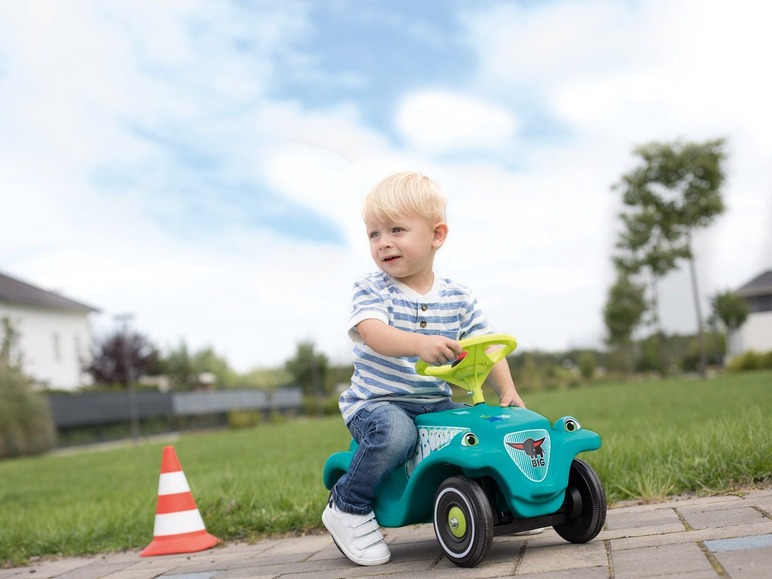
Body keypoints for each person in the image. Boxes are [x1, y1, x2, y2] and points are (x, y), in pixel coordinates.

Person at [322, 171, 526, 566]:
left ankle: (501, 498)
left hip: (434, 403)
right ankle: (347, 506)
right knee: (396, 433)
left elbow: (489, 346)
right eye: (374, 234)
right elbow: (374, 333)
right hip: (378, 404)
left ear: (436, 235)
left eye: (396, 230)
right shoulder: (372, 289)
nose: (383, 243)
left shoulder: (458, 295)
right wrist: (419, 344)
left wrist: (508, 391)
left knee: (481, 428)